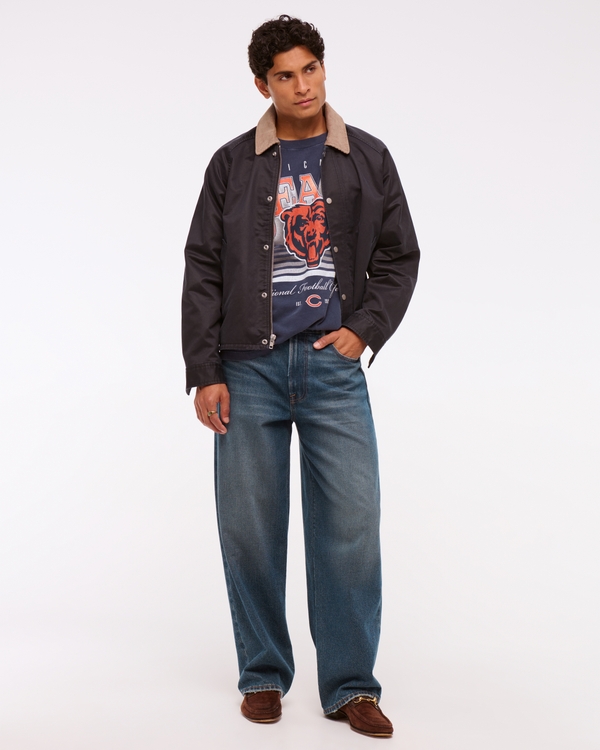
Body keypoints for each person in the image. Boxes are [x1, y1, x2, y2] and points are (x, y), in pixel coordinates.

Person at [181, 15, 420, 738]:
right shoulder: (232, 164)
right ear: (263, 85)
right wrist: (205, 370)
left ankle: (350, 686)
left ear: (322, 67)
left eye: (309, 69)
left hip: (332, 367)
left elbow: (399, 256)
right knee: (250, 527)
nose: (301, 85)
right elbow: (203, 266)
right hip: (247, 368)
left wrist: (364, 330)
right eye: (284, 76)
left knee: (351, 525)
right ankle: (262, 674)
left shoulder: (367, 157)